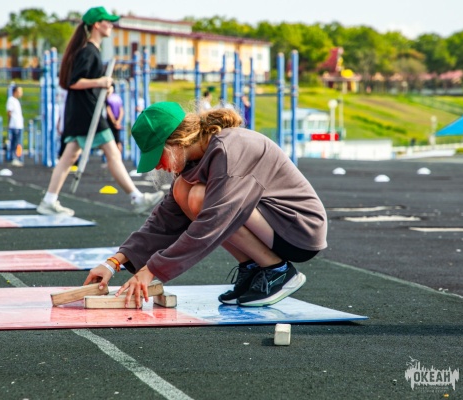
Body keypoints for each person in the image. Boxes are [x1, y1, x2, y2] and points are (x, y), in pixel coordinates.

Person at [83, 102, 328, 308]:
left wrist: (151, 270)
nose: (157, 166)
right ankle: (254, 267)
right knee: (184, 191)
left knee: (200, 199)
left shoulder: (229, 150)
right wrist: (113, 263)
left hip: (299, 229)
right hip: (271, 224)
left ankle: (277, 271)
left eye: (157, 156)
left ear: (178, 141)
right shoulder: (195, 158)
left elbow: (213, 223)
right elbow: (163, 222)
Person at [36, 6, 163, 216]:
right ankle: (137, 198)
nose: (111, 25)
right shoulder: (88, 51)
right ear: (97, 24)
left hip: (83, 112)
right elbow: (74, 82)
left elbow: (85, 82)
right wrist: (100, 81)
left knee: (70, 157)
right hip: (86, 113)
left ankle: (49, 200)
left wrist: (104, 86)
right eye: (107, 21)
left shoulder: (91, 50)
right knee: (112, 153)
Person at [6, 86, 24, 167]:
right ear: (15, 92)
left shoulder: (16, 101)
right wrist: (9, 123)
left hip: (18, 125)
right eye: (20, 91)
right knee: (14, 142)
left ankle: (16, 157)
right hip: (14, 124)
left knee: (17, 142)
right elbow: (9, 112)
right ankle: (13, 158)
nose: (21, 93)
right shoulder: (11, 100)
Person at [105, 83, 124, 154]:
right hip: (116, 121)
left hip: (110, 122)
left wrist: (114, 122)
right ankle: (118, 157)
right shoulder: (118, 97)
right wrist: (118, 121)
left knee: (109, 141)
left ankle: (114, 157)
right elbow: (121, 111)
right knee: (118, 141)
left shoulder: (108, 98)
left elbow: (108, 111)